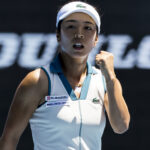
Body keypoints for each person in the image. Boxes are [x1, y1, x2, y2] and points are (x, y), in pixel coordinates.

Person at [0, 1, 130, 150]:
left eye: (87, 27)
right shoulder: (37, 80)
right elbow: (9, 140)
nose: (79, 34)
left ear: (96, 39)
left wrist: (111, 77)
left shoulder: (105, 80)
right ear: (58, 34)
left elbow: (121, 127)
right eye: (71, 26)